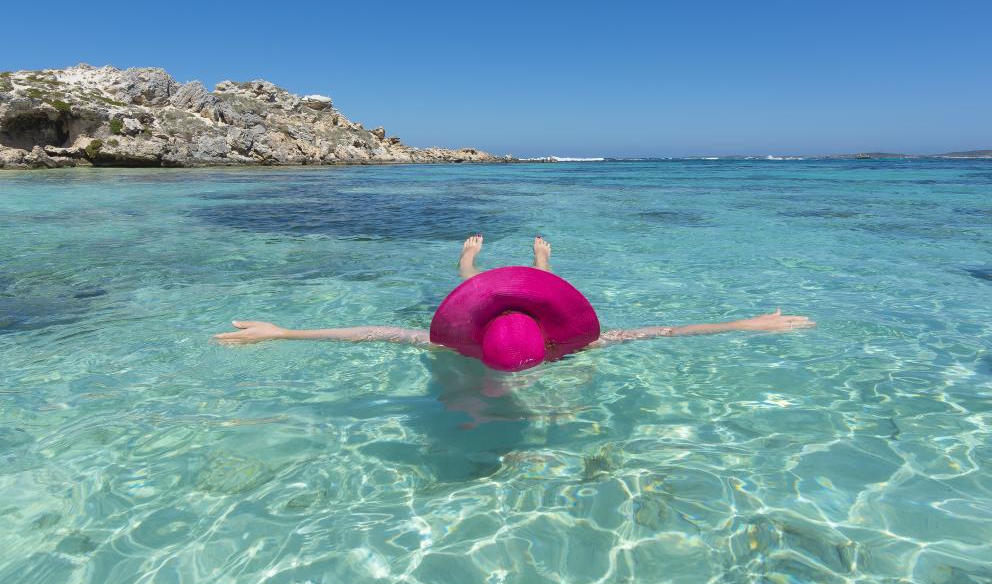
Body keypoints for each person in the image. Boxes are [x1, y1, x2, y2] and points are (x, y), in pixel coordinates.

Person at [214, 235, 815, 349]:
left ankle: (505, 269)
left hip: (489, 319)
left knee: (478, 297)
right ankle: (530, 270)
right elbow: (665, 331)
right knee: (482, 296)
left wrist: (288, 330)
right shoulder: (579, 347)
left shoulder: (453, 348)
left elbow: (372, 332)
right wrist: (741, 324)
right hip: (508, 318)